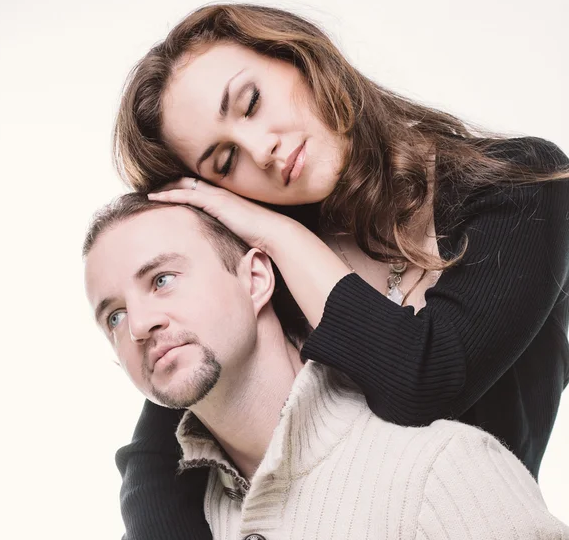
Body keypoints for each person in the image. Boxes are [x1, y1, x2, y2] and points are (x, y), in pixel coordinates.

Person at [112, 4, 569, 538]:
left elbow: (426, 379)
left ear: (299, 55)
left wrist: (280, 234)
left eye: (252, 103)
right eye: (225, 162)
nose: (262, 150)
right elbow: (158, 455)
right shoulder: (260, 275)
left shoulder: (520, 187)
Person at [85, 194, 568, 540]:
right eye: (115, 316)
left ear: (255, 278)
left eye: (163, 279)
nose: (140, 325)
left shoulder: (442, 471)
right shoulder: (173, 514)